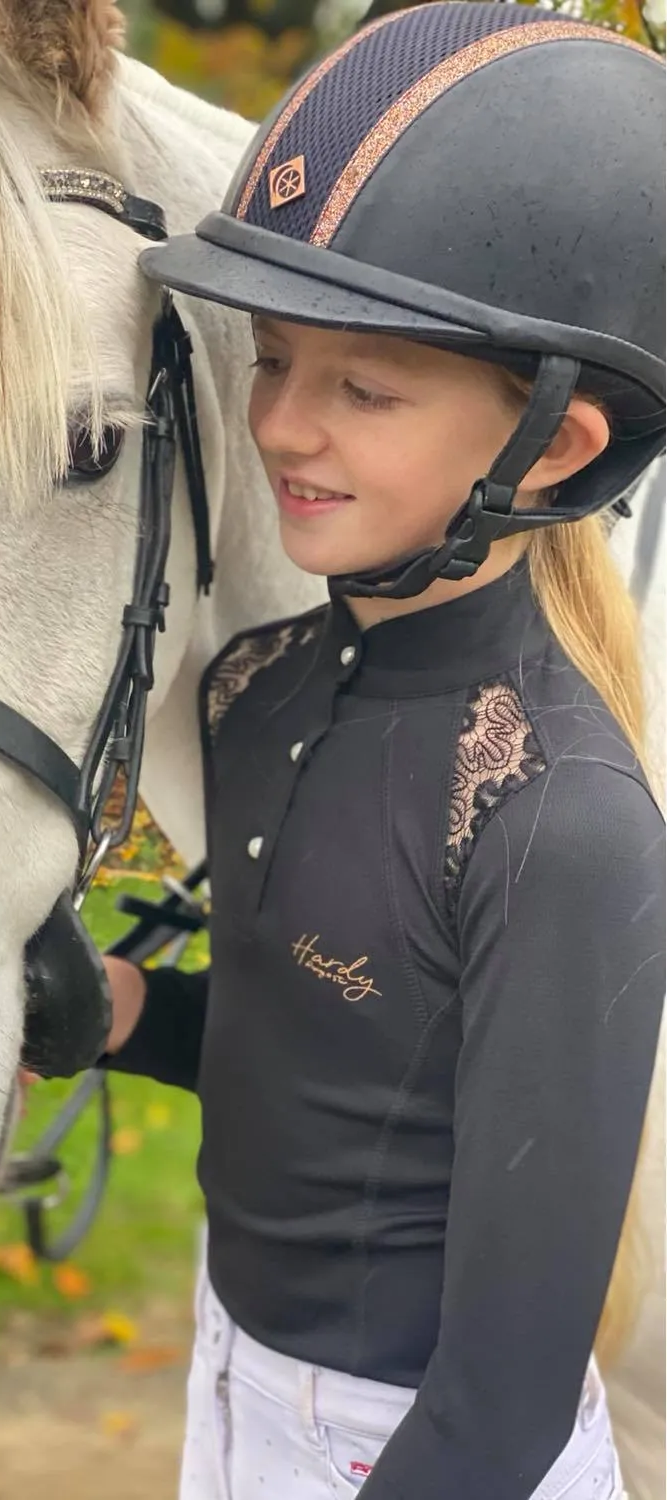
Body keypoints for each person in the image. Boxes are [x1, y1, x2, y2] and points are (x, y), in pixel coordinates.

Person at [99, 5, 666, 1497]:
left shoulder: (561, 816)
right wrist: (110, 1010)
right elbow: (331, 1049)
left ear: (553, 445)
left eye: (363, 388)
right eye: (275, 360)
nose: (282, 425)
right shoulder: (257, 692)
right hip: (234, 1382)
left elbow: (503, 1398)